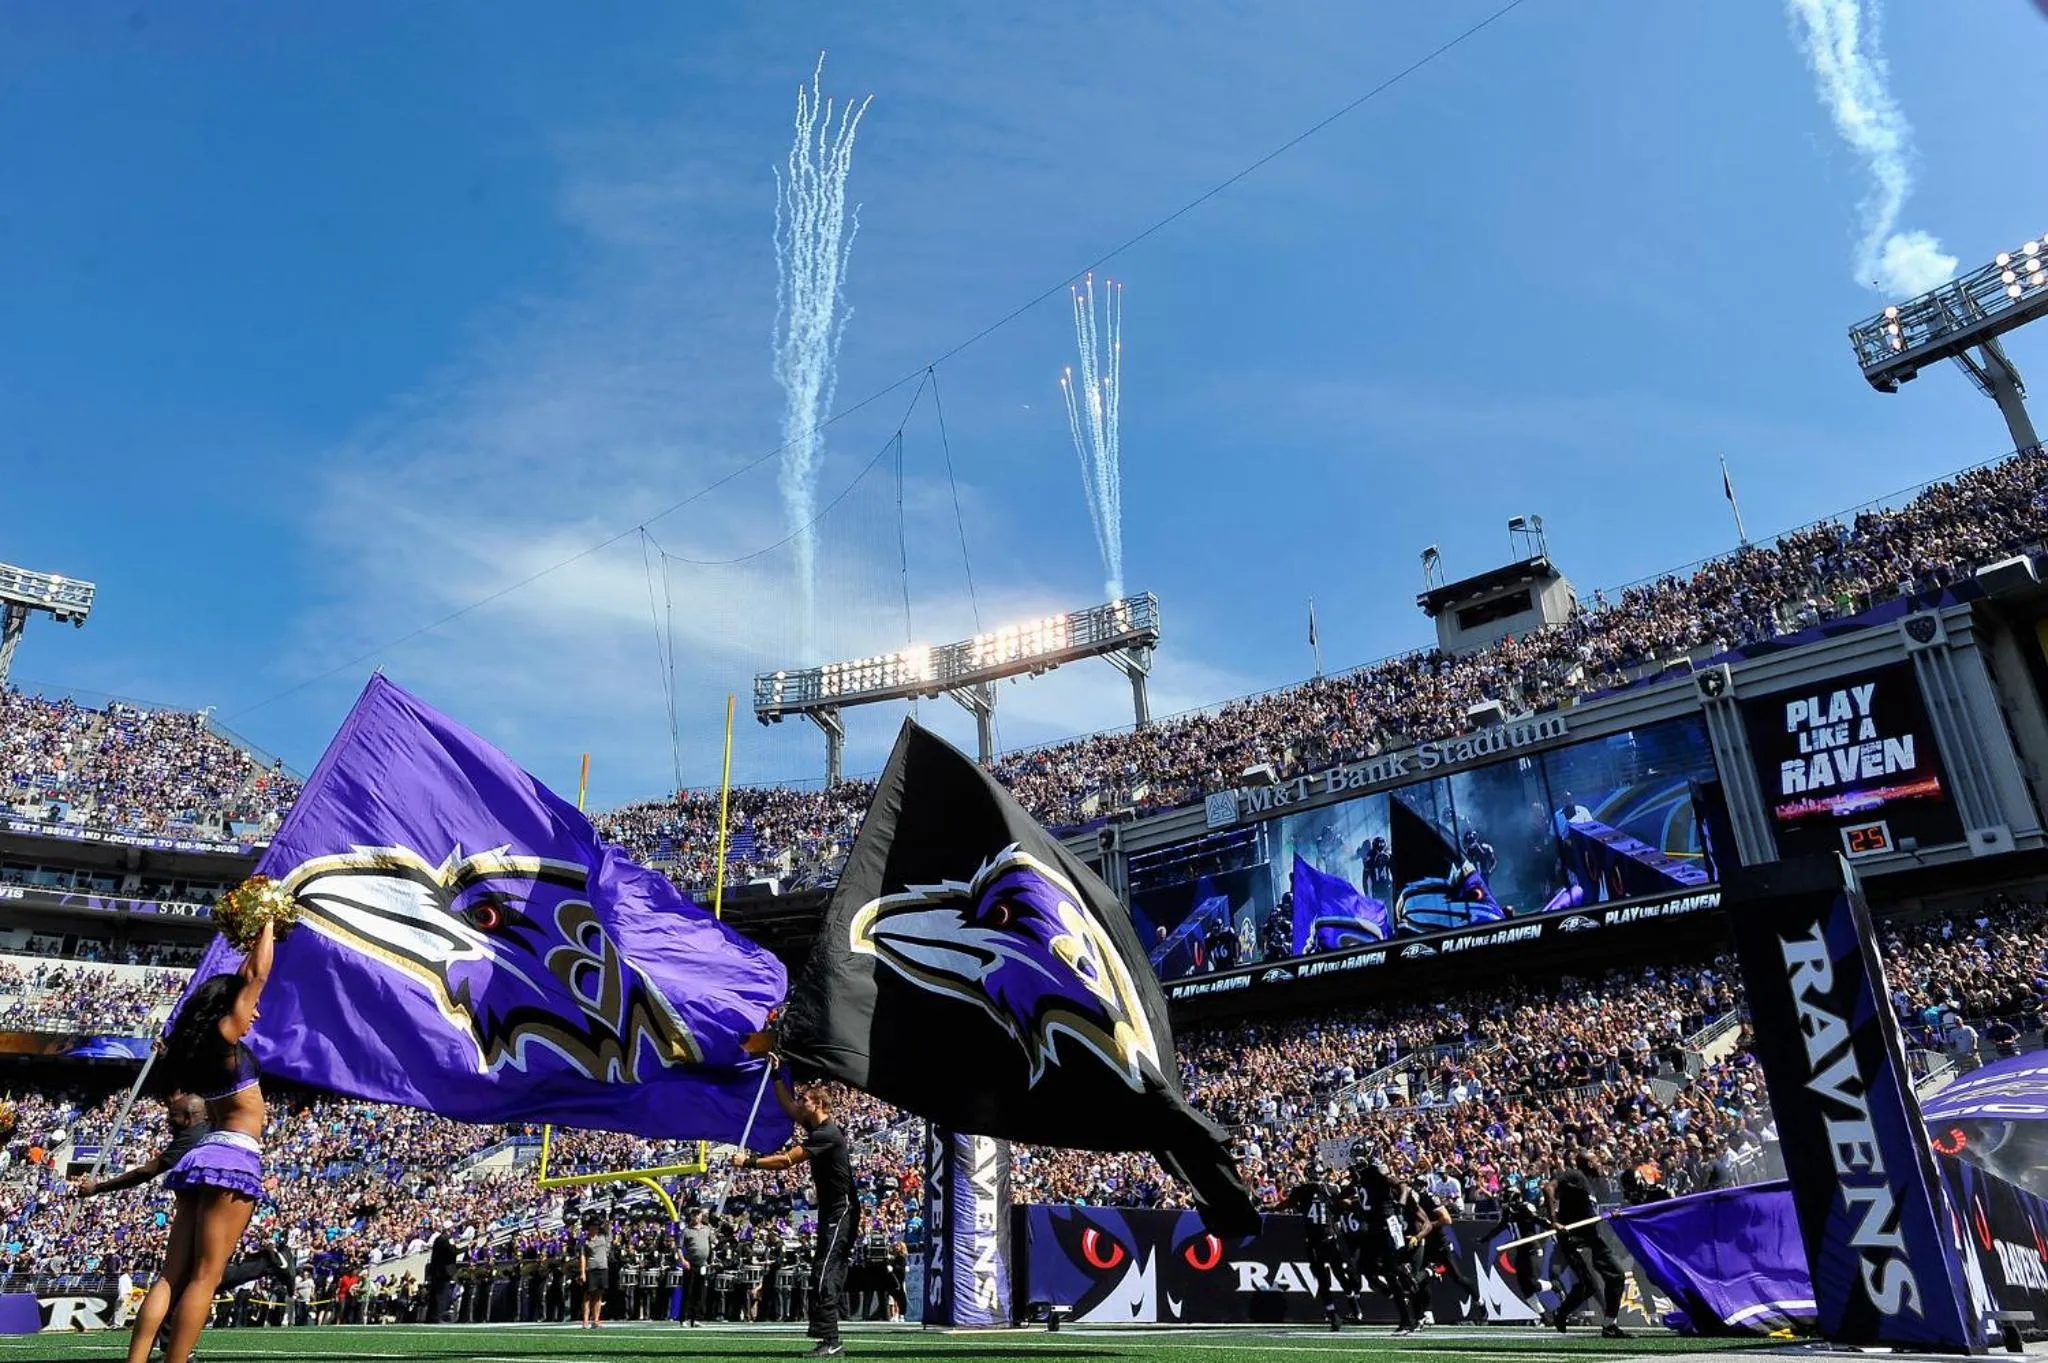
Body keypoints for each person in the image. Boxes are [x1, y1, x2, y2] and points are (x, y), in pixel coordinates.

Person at [122, 918, 276, 1363]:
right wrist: (269, 920)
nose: (256, 1013)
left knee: (171, 1275)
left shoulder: (194, 1048)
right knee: (205, 1277)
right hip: (234, 1156)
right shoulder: (222, 1040)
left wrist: (254, 940)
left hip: (202, 1155)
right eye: (249, 1007)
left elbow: (249, 978)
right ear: (228, 1009)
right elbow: (257, 977)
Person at [74, 1091, 295, 1346]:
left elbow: (146, 1171)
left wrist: (98, 1188)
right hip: (229, 1190)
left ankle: (265, 1264)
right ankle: (172, 1341)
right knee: (194, 1277)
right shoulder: (210, 1127)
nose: (168, 1120)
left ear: (189, 1117)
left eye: (173, 1116)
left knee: (197, 1277)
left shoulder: (190, 1139)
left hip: (222, 1196)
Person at [733, 1074, 857, 1359]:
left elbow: (786, 1161)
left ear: (819, 1105)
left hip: (843, 1209)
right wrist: (776, 1076)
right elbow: (789, 1108)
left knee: (826, 1272)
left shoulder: (827, 1134)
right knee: (821, 1271)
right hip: (830, 1209)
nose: (800, 1103)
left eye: (806, 1100)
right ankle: (827, 1338)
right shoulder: (815, 1127)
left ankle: (832, 1340)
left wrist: (748, 1162)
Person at [1548, 1153, 1628, 1338]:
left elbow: (1591, 1211)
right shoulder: (1574, 1175)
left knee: (1616, 1276)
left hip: (1591, 1237)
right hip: (1573, 1237)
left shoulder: (1593, 1184)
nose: (1600, 1164)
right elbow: (1548, 1187)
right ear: (1589, 1163)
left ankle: (1610, 1325)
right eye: (1597, 1160)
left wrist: (1611, 1214)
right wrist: (1554, 1220)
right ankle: (1561, 1312)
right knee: (1587, 1286)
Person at [1273, 1161, 1356, 1331]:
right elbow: (1344, 1203)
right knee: (1339, 1275)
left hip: (1315, 1240)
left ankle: (1333, 1314)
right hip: (1329, 1237)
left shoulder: (1302, 1190)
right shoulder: (1331, 1189)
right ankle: (1351, 1305)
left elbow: (1285, 1204)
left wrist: (1269, 1208)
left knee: (1324, 1279)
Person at [1343, 1159, 1420, 1336]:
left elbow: (1403, 1187)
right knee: (1365, 1267)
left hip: (1386, 1224)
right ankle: (1401, 1277)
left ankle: (1407, 1320)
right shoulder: (1359, 1176)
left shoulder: (1378, 1170)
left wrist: (1400, 1206)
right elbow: (1347, 1193)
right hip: (1373, 1228)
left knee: (1391, 1273)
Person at [679, 1210, 715, 1327]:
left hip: (703, 1264)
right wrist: (683, 1260)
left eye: (698, 1215)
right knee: (688, 1291)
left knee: (700, 1292)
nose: (696, 1218)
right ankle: (684, 1318)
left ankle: (696, 1318)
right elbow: (679, 1247)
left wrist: (711, 1260)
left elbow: (712, 1243)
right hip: (690, 1263)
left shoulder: (707, 1229)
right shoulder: (687, 1231)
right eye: (694, 1215)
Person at [580, 1218, 612, 1329]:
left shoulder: (603, 1237)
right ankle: (585, 1320)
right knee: (587, 1296)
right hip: (591, 1269)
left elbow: (608, 1229)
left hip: (602, 1268)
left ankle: (596, 1319)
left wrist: (607, 1221)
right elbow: (583, 1257)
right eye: (592, 1226)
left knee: (599, 1296)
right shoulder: (585, 1241)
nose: (595, 1228)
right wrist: (583, 1272)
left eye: (596, 1226)